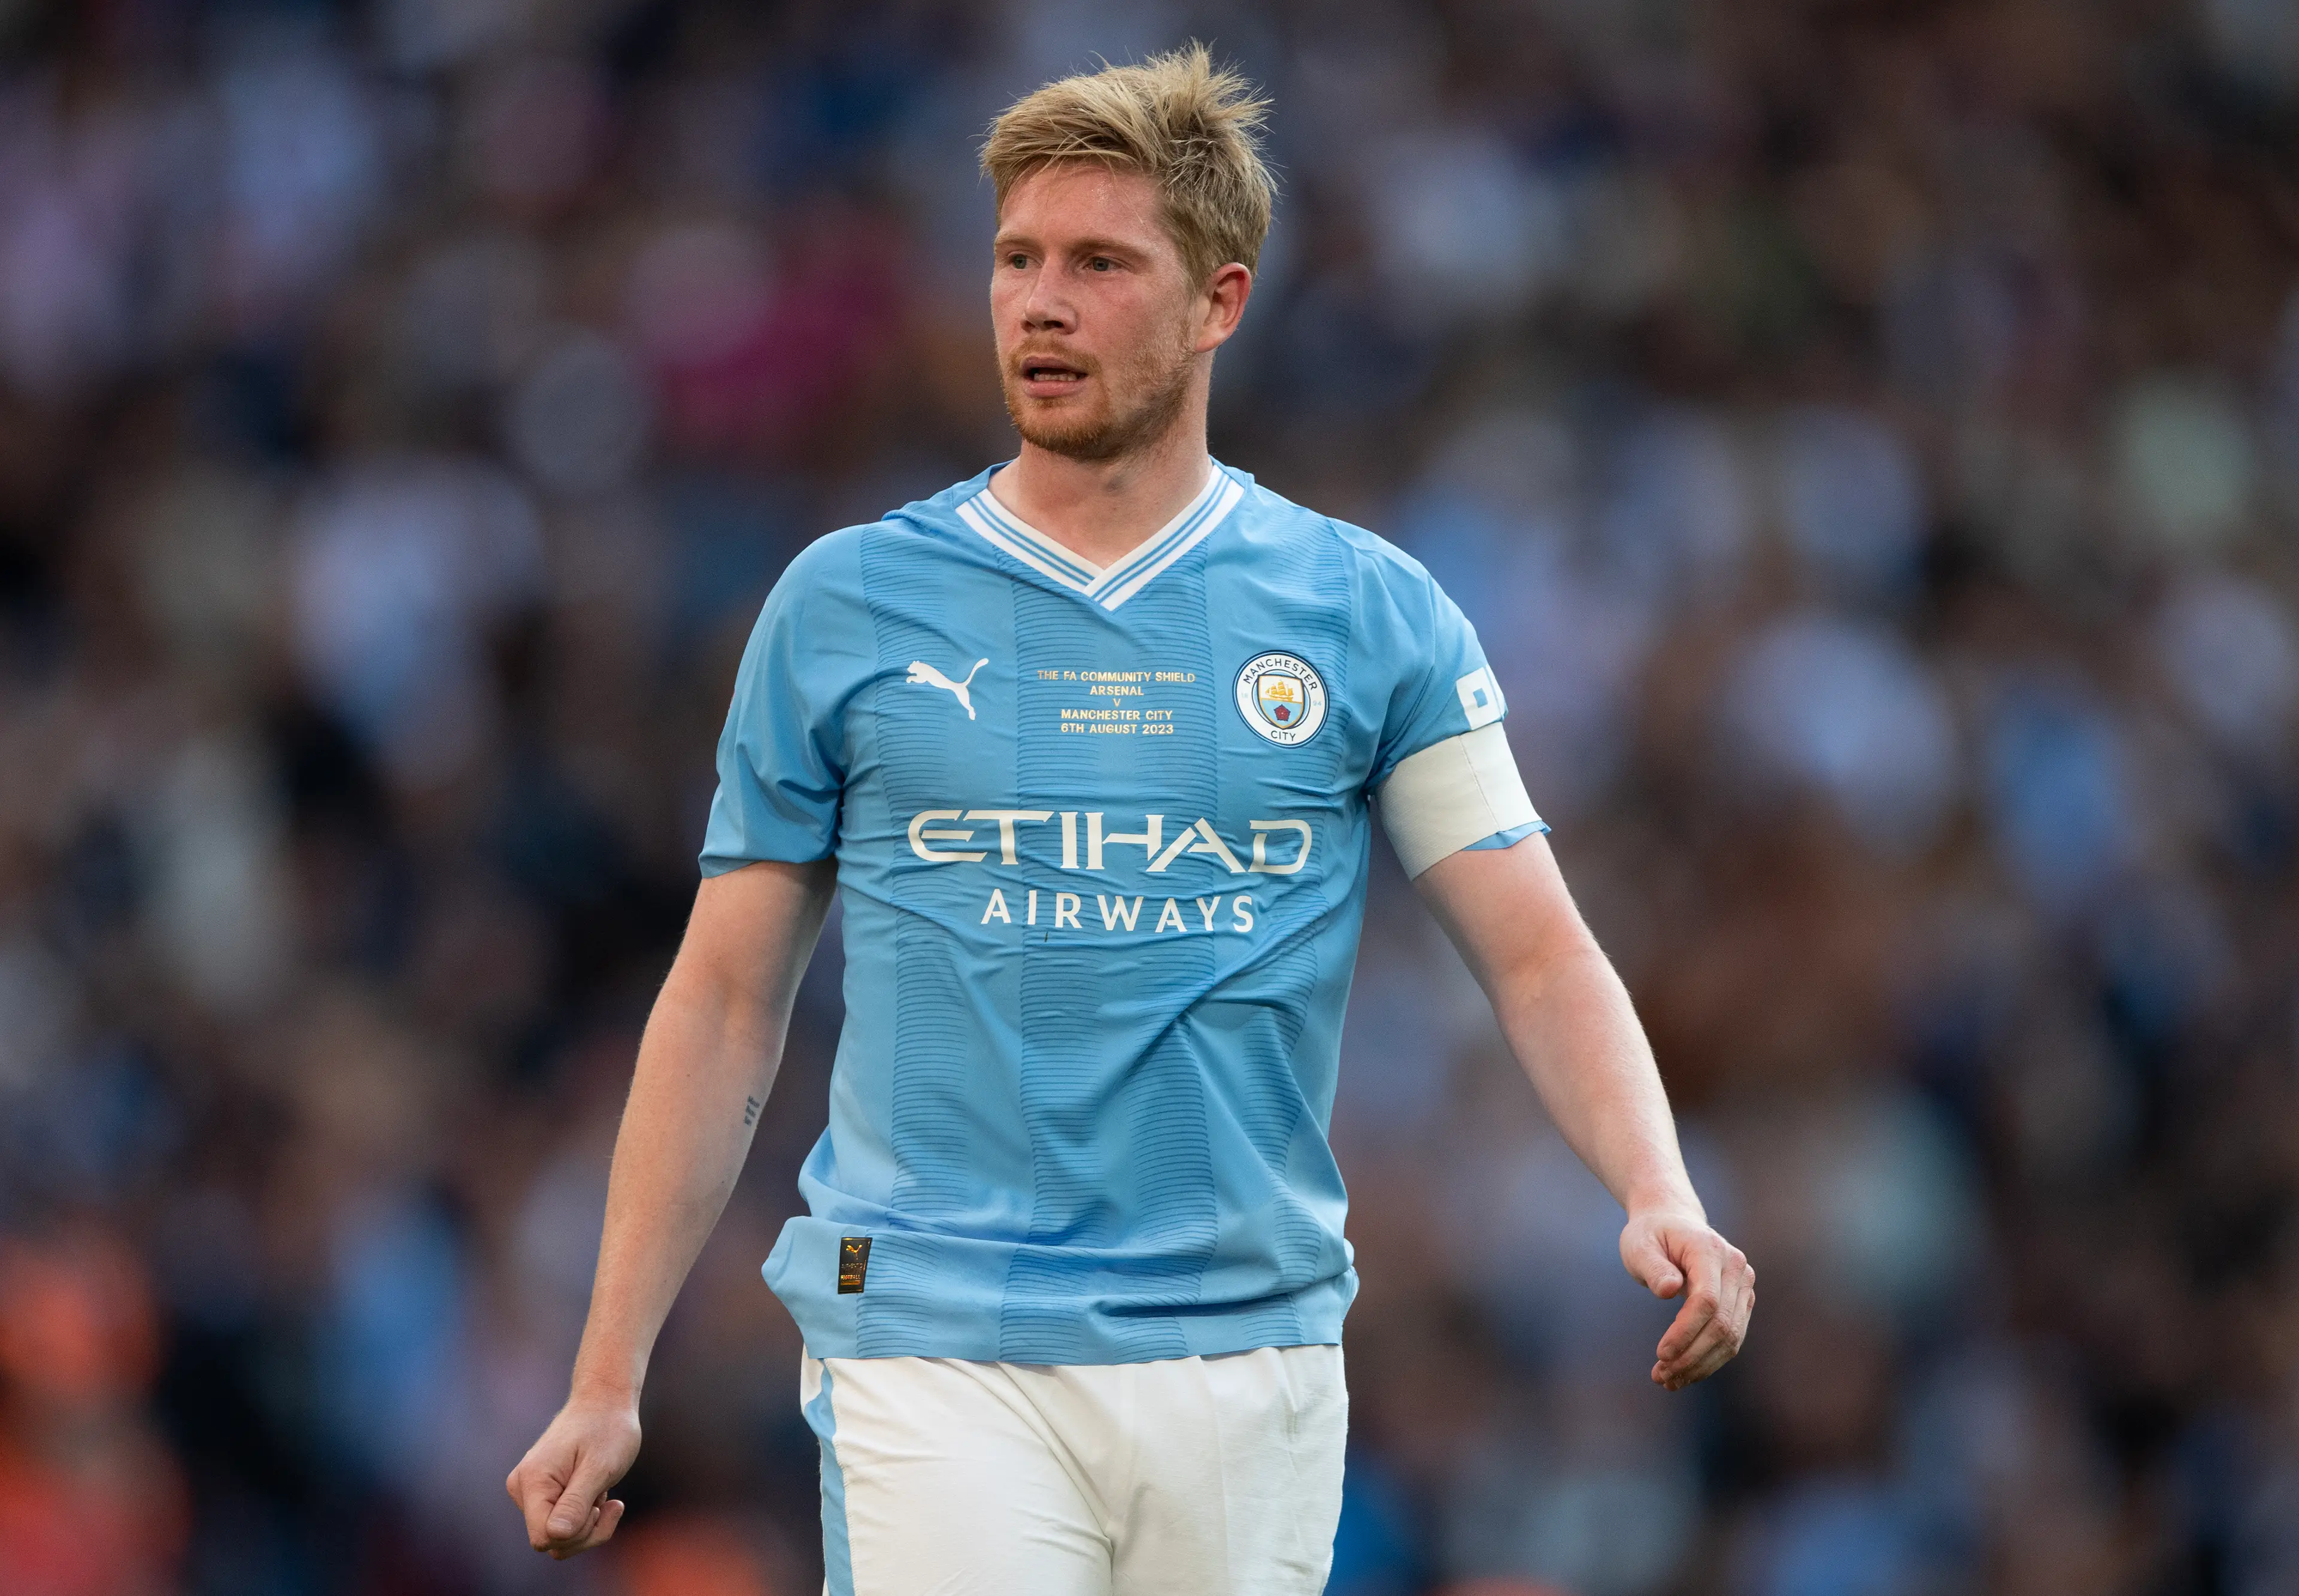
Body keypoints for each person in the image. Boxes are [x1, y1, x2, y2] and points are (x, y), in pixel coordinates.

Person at [506, 43, 1754, 1595]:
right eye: (1019, 259)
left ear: (1221, 302)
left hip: (1250, 1352)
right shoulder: (845, 606)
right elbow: (723, 997)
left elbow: (1538, 953)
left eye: (1101, 264)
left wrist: (1659, 1191)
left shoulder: (1370, 615)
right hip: (932, 1336)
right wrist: (609, 1372)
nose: (1041, 301)